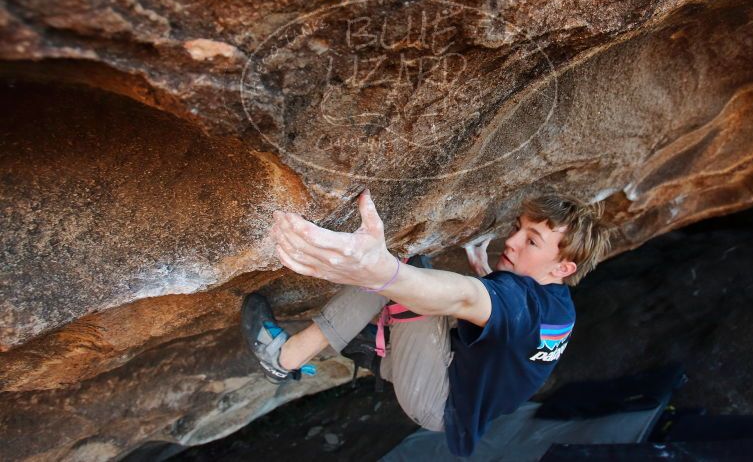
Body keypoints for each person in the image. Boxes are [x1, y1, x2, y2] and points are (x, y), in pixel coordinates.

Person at [241, 189, 610, 457]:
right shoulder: (558, 310)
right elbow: (511, 333)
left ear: (563, 267)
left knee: (407, 271)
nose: (510, 241)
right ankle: (383, 349)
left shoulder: (520, 305)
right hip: (457, 392)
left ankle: (283, 357)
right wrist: (490, 284)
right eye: (517, 228)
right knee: (411, 293)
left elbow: (466, 298)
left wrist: (383, 271)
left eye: (531, 241)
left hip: (437, 397)